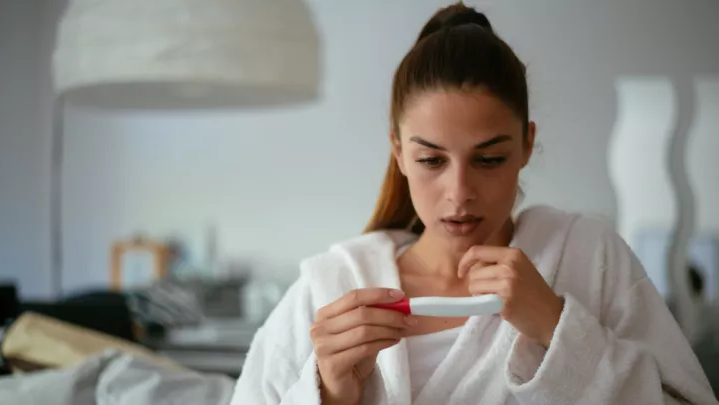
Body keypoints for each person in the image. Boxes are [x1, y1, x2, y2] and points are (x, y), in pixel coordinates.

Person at [231, 4, 717, 404]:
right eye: (431, 160)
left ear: (527, 145)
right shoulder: (331, 287)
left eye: (489, 159)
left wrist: (557, 328)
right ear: (398, 152)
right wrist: (331, 395)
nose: (459, 192)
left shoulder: (588, 257)